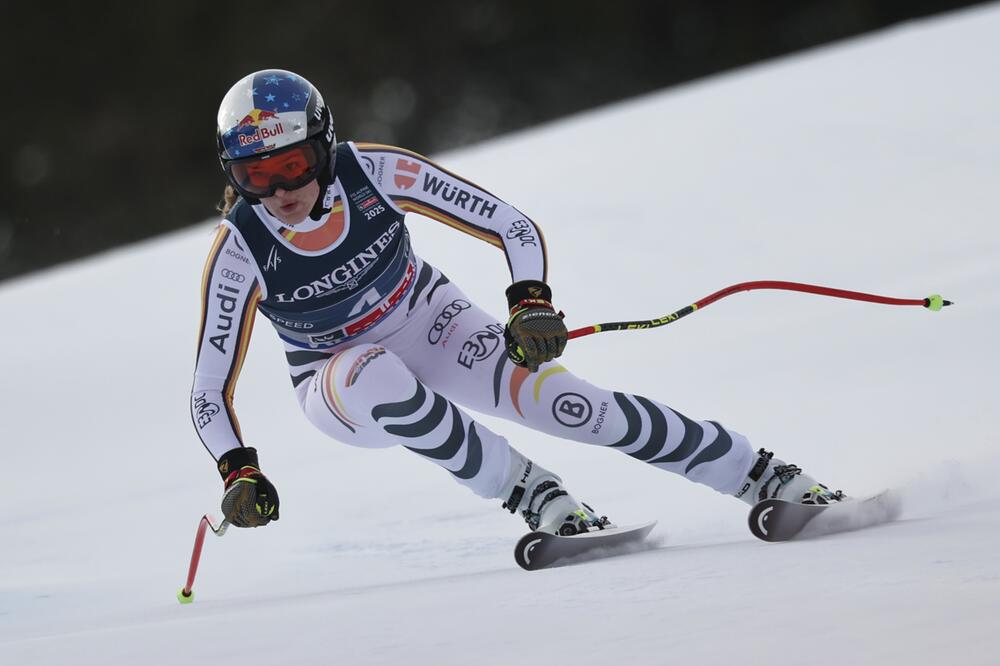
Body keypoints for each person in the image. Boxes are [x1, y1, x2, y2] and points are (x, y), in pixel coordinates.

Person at [192, 69, 842, 535]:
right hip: (337, 385)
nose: (280, 191)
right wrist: (237, 471)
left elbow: (512, 226)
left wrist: (530, 300)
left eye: (294, 164)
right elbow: (208, 390)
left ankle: (763, 475)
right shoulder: (240, 252)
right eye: (257, 177)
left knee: (572, 404)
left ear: (323, 143)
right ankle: (533, 494)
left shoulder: (377, 172)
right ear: (234, 175)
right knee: (378, 374)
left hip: (429, 320)